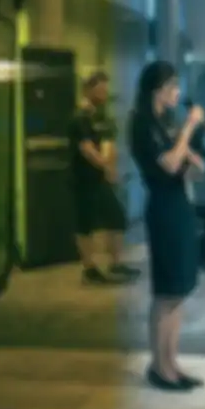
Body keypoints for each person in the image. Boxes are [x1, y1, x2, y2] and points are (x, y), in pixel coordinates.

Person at [128, 61, 205, 392]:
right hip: (163, 208)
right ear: (157, 89)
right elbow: (170, 162)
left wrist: (189, 151)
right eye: (173, 86)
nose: (177, 93)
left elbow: (192, 167)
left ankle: (172, 363)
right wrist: (189, 128)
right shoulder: (142, 124)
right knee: (165, 292)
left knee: (179, 292)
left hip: (180, 205)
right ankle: (159, 368)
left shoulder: (166, 123)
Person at [68, 71, 138, 286]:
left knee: (116, 218)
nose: (104, 93)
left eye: (106, 89)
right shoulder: (79, 118)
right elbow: (87, 150)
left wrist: (110, 166)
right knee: (85, 224)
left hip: (100, 178)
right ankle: (89, 269)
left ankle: (115, 263)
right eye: (100, 89)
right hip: (83, 179)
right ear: (89, 89)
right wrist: (107, 167)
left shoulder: (101, 117)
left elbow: (107, 143)